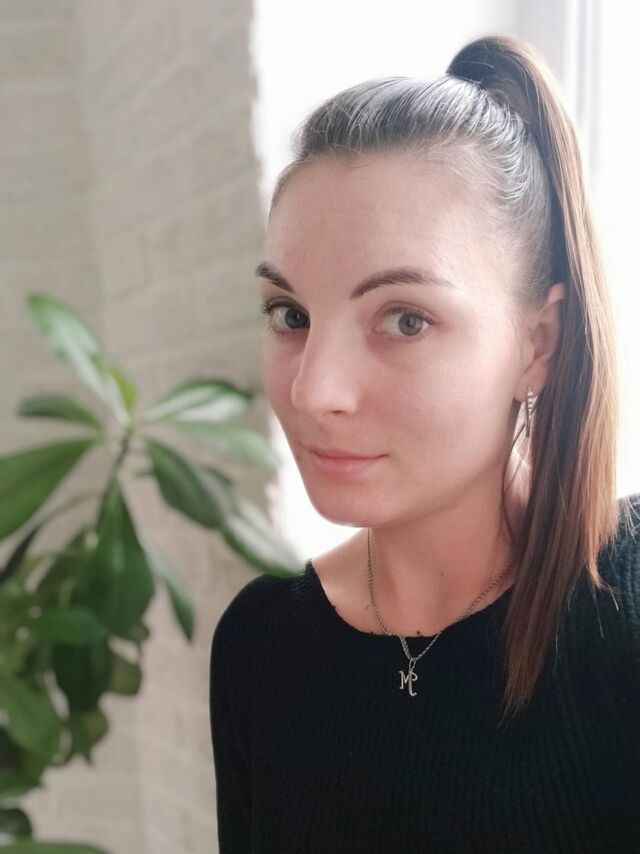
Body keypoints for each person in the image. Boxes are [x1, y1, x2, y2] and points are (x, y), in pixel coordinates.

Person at [209, 34, 640, 853]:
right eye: (290, 315)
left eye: (405, 320)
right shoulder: (258, 650)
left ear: (538, 345)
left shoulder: (628, 609)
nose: (313, 391)